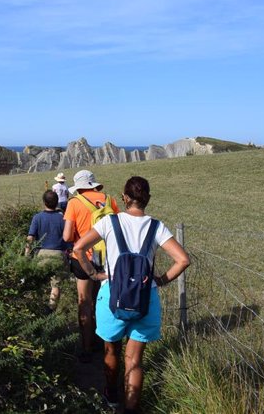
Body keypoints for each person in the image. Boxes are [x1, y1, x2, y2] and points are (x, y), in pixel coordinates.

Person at [73, 176, 189, 413]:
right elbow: (183, 260)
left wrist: (94, 274)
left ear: (124, 197)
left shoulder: (109, 222)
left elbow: (78, 248)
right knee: (134, 360)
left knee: (111, 350)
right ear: (148, 199)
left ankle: (112, 394)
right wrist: (160, 280)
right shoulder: (157, 227)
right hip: (145, 299)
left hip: (111, 296)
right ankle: (131, 408)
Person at [63, 169, 120, 363]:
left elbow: (67, 236)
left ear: (78, 187)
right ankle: (108, 344)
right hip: (107, 259)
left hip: (83, 259)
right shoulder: (110, 200)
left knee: (84, 303)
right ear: (94, 184)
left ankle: (87, 347)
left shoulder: (74, 203)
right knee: (103, 302)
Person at [25, 190, 70, 310]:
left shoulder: (37, 217)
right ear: (57, 203)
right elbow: (69, 239)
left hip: (41, 254)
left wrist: (26, 255)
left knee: (39, 283)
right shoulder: (64, 219)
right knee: (56, 285)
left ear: (44, 202)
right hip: (59, 254)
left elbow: (30, 238)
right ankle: (50, 310)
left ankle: (37, 308)